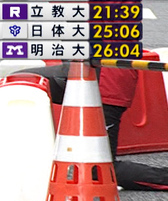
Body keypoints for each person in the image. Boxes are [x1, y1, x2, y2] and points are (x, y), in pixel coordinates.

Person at [21, 62, 168, 190]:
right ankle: (26, 164)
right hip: (102, 73)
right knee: (20, 80)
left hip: (105, 82)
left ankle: (163, 177)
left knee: (99, 169)